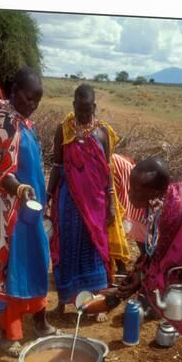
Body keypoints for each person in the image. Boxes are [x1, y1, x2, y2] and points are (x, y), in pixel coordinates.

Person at [0, 66, 58, 356]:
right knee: (14, 271)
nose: (33, 105)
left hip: (30, 212)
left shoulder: (23, 122)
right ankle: (9, 334)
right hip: (11, 215)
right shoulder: (4, 123)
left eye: (38, 100)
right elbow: (1, 172)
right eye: (28, 98)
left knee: (37, 261)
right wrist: (21, 190)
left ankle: (40, 322)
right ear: (13, 92)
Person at [46, 84, 130, 315]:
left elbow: (108, 172)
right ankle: (62, 303)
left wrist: (112, 202)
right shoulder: (63, 131)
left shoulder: (103, 133)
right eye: (80, 110)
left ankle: (99, 304)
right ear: (73, 106)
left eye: (88, 110)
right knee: (65, 249)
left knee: (95, 249)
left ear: (94, 107)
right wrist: (48, 196)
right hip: (68, 201)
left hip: (96, 204)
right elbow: (57, 166)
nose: (84, 115)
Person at [116, 157, 182, 338]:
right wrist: (137, 271)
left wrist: (139, 279)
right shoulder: (157, 202)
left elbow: (164, 264)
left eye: (135, 190)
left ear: (154, 192)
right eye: (130, 186)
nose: (129, 192)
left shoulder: (177, 216)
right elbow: (154, 248)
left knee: (174, 295)